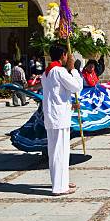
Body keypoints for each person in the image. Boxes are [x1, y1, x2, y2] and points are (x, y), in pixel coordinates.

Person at [41, 44, 83, 196]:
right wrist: (73, 70)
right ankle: (59, 187)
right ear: (63, 55)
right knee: (59, 151)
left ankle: (61, 181)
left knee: (56, 151)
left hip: (54, 115)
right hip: (58, 117)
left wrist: (71, 103)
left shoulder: (46, 72)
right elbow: (77, 86)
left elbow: (57, 94)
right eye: (66, 56)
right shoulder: (59, 71)